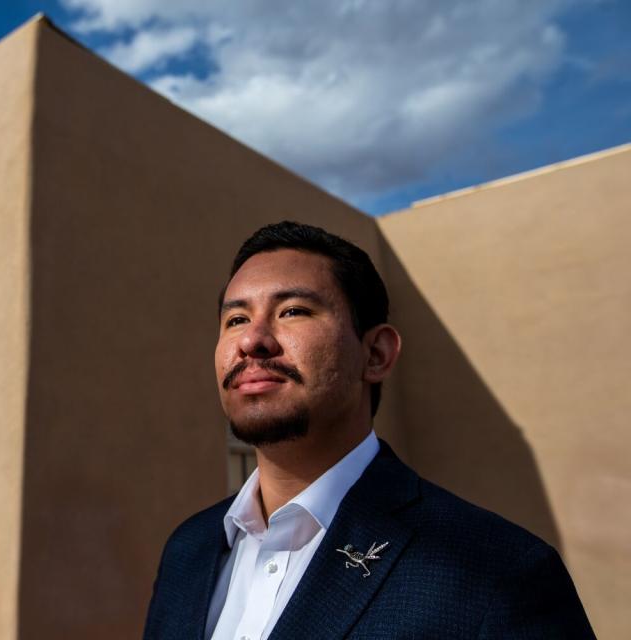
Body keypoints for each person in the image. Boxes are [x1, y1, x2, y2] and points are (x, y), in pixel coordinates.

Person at [143, 221, 594, 639]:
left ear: (376, 354)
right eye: (236, 319)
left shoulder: (500, 572)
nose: (251, 340)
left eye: (293, 310)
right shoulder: (188, 551)